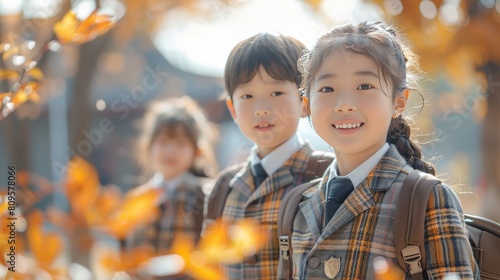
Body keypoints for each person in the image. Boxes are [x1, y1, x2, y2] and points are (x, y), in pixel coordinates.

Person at [285, 21, 479, 279]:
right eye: (327, 88)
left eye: (364, 86)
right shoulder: (297, 204)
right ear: (307, 104)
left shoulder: (429, 200)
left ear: (398, 102)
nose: (344, 104)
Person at [203, 32, 332, 280]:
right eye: (247, 96)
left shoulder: (327, 176)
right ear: (233, 109)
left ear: (304, 102)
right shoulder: (224, 187)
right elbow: (209, 265)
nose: (261, 108)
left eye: (276, 93)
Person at [126, 96, 217, 254]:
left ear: (196, 152)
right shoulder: (138, 199)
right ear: (149, 147)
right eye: (163, 142)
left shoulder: (207, 194)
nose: (170, 151)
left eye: (181, 143)